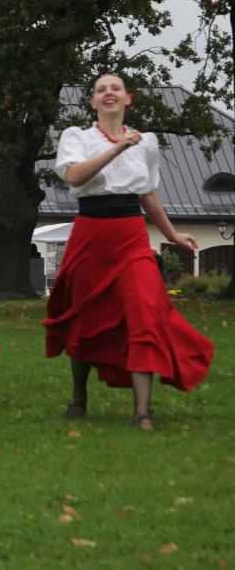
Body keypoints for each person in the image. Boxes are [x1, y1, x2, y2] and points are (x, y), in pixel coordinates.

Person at [43, 74, 214, 431]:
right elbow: (75, 176)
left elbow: (148, 193)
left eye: (115, 88)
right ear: (93, 102)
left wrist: (172, 233)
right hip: (91, 236)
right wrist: (118, 147)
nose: (108, 93)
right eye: (101, 90)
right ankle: (79, 396)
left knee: (145, 313)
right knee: (85, 318)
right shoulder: (78, 137)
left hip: (131, 237)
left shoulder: (146, 143)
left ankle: (143, 412)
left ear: (127, 99)